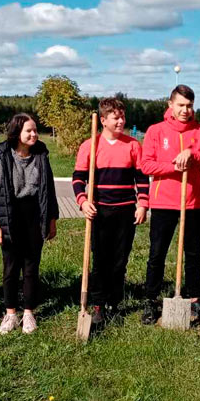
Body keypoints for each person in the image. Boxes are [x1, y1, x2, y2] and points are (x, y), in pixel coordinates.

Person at [140, 85, 200, 325]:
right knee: (157, 253)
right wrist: (175, 165)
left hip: (193, 203)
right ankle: (151, 301)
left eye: (189, 105)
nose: (185, 110)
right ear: (170, 105)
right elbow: (146, 165)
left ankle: (195, 300)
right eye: (181, 105)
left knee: (193, 254)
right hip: (164, 202)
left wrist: (192, 154)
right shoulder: (156, 131)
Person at [72, 97, 149, 329]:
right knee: (100, 261)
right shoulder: (90, 146)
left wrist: (142, 204)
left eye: (123, 117)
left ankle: (115, 303)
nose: (121, 121)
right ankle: (98, 304)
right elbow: (78, 179)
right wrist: (83, 201)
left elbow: (142, 179)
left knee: (119, 261)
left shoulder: (133, 145)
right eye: (116, 117)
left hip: (126, 211)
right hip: (100, 212)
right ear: (103, 120)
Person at [0, 113, 59, 334]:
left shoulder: (41, 155)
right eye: (29, 130)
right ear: (17, 132)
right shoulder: (3, 157)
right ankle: (10, 314)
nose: (34, 134)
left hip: (34, 216)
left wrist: (52, 220)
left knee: (31, 267)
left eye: (35, 130)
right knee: (10, 268)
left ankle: (28, 312)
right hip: (11, 214)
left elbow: (49, 190)